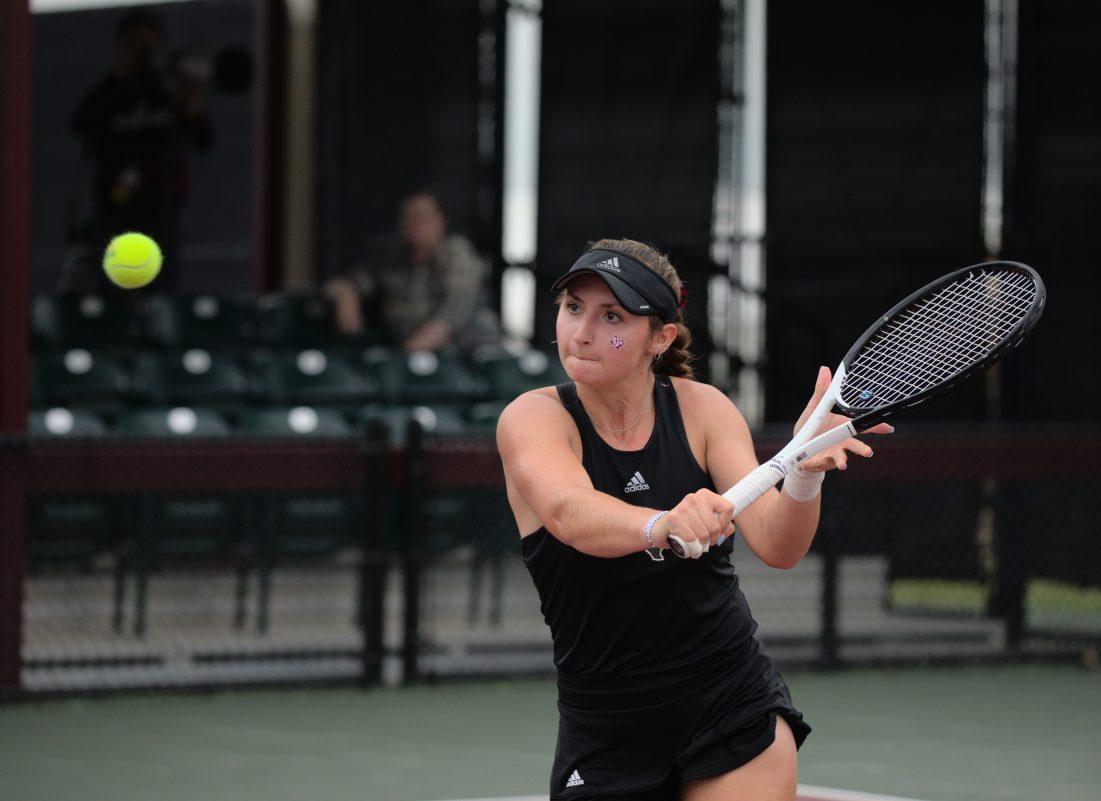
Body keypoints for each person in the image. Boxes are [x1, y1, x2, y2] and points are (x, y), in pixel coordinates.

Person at [496, 239, 892, 801]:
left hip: (729, 700)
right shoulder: (533, 417)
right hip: (607, 722)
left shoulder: (703, 408)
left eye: (612, 316)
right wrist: (662, 524)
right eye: (573, 307)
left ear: (659, 338)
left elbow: (779, 545)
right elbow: (568, 512)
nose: (581, 331)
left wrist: (803, 475)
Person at [67, 10, 214, 293]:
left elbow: (204, 138)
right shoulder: (109, 92)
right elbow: (81, 124)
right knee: (113, 296)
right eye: (135, 42)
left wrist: (189, 99)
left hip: (163, 209)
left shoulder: (170, 91)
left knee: (162, 295)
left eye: (150, 43)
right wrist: (122, 74)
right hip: (115, 208)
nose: (144, 50)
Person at [325, 191, 500, 353]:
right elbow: (348, 283)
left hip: (462, 355)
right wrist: (345, 294)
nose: (414, 223)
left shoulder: (454, 252)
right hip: (405, 349)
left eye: (422, 216)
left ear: (441, 221)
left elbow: (454, 311)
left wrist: (408, 353)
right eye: (407, 216)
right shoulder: (392, 256)